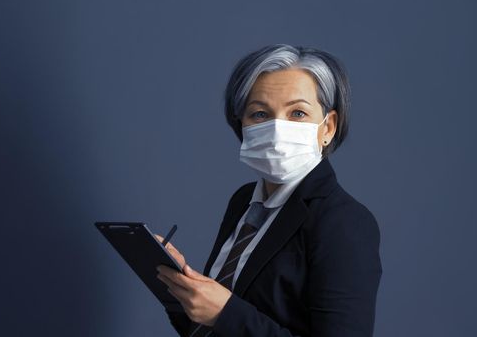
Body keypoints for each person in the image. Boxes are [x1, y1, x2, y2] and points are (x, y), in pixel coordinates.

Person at [155, 44, 382, 336]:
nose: (277, 130)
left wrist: (227, 313)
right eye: (260, 114)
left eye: (298, 113)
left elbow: (228, 317)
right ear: (242, 125)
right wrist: (179, 287)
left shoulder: (345, 222)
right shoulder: (244, 202)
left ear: (328, 127)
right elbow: (209, 326)